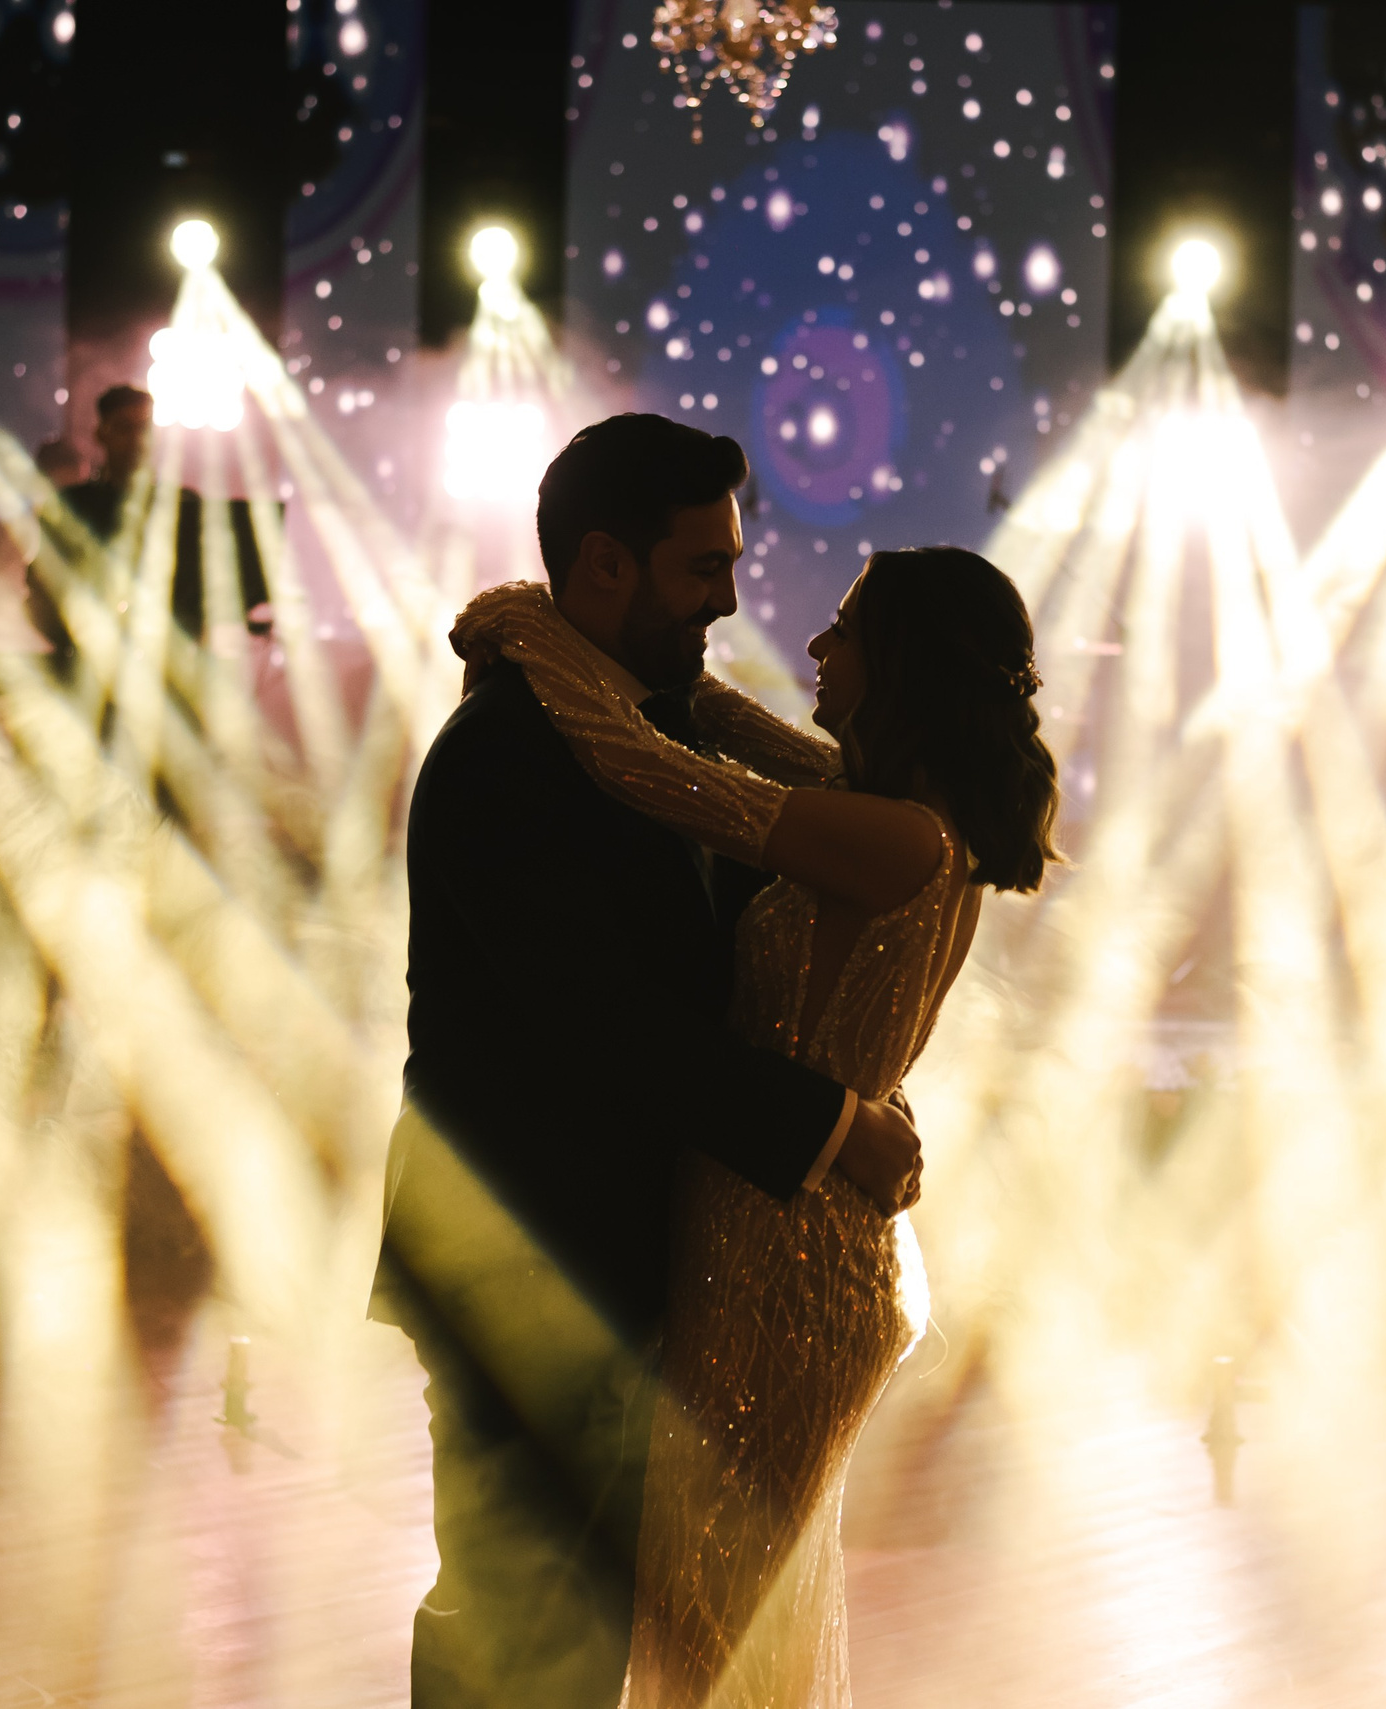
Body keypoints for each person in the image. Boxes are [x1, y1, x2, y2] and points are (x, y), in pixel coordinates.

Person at [369, 414, 927, 1709]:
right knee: (521, 1622)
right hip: (522, 1256)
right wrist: (831, 1128)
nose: (729, 601)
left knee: (577, 1623)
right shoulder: (511, 756)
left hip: (613, 1255)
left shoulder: (645, 738)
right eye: (703, 569)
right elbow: (603, 1023)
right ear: (605, 566)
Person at [450, 539, 1059, 1708]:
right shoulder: (908, 813)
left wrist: (533, 632)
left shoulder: (887, 834)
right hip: (784, 1223)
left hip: (784, 1259)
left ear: (904, 661)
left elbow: (648, 768)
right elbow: (719, 726)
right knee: (711, 1606)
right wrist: (614, 646)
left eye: (843, 629)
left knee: (705, 1615)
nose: (817, 648)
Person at [58, 383, 152, 539]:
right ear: (101, 434)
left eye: (144, 428)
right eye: (124, 428)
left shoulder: (186, 507)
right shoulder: (72, 505)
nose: (137, 440)